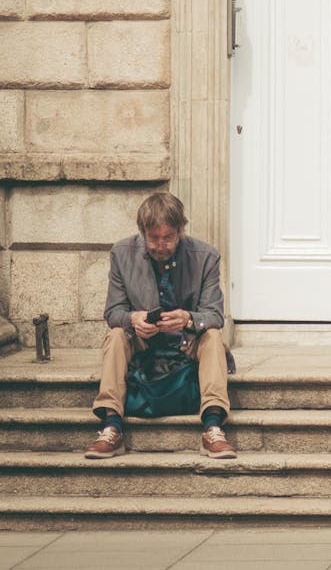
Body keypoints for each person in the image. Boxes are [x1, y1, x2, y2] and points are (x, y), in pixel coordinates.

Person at [84, 191, 236, 460]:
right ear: (142, 231)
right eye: (153, 238)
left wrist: (189, 318)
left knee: (213, 336)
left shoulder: (206, 256)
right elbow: (113, 311)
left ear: (181, 230)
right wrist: (133, 319)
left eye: (168, 238)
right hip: (144, 341)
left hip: (187, 342)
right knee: (116, 335)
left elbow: (214, 315)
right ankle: (111, 426)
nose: (161, 245)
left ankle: (213, 428)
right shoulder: (122, 253)